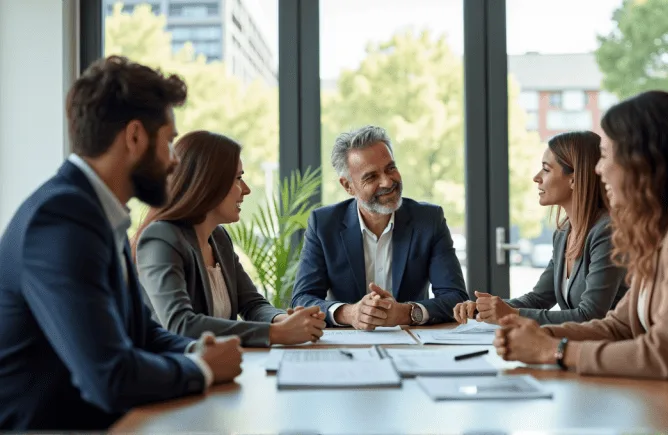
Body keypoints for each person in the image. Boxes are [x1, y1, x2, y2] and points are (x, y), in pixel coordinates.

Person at [0, 56, 243, 431]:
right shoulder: (62, 219)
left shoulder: (98, 214)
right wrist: (201, 368)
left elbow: (143, 334)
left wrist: (197, 349)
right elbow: (109, 376)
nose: (174, 161)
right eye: (170, 141)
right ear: (134, 137)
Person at [493, 90, 668, 419]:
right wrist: (541, 336)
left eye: (606, 154)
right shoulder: (660, 231)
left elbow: (664, 354)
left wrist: (554, 350)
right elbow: (617, 326)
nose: (597, 169)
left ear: (643, 162)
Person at [134, 130, 326, 347]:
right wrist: (276, 333)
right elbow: (180, 324)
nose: (246, 190)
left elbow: (252, 304)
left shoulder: (218, 237)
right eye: (238, 178)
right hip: (175, 374)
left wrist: (283, 320)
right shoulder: (161, 238)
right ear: (207, 182)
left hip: (220, 367)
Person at [291, 125, 469, 329]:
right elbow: (302, 299)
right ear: (348, 186)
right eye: (371, 177)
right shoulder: (324, 224)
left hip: (412, 343)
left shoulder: (428, 220)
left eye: (390, 168)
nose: (387, 181)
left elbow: (455, 298)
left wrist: (405, 313)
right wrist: (350, 313)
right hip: (347, 345)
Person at [454, 132, 628, 326]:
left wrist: (510, 314)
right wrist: (484, 309)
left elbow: (590, 315)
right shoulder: (563, 234)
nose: (536, 178)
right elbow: (538, 299)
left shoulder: (607, 232)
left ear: (574, 178)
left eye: (546, 169)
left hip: (608, 350)